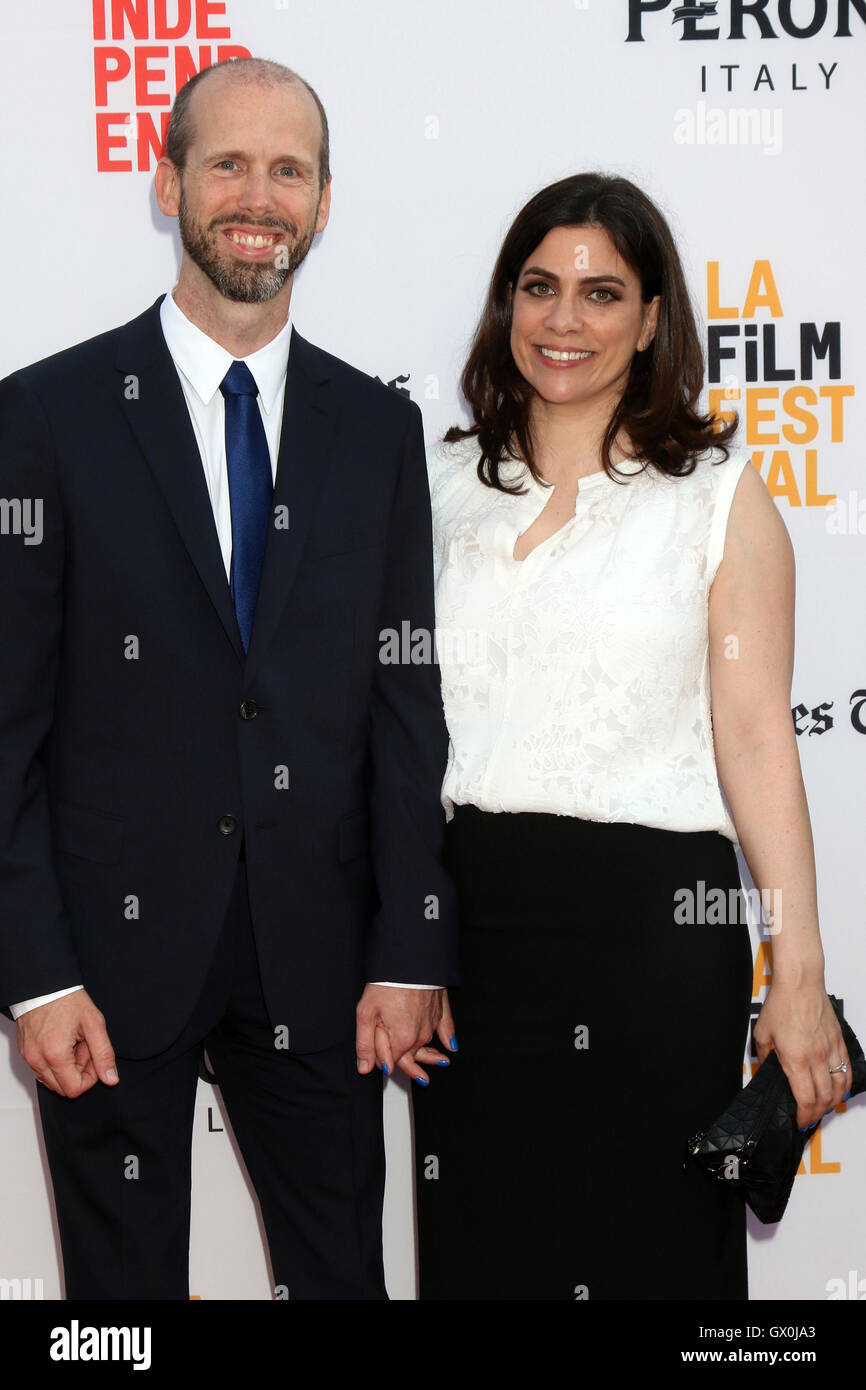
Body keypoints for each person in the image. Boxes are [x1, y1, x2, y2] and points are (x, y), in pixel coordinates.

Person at [0, 56, 457, 1300]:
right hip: (106, 961)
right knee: (121, 1309)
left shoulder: (375, 431)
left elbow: (401, 705)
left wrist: (410, 943)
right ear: (168, 183)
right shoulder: (46, 416)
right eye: (228, 164)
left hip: (320, 956)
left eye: (289, 169)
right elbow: (6, 729)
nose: (258, 195)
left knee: (340, 1282)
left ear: (323, 203)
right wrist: (35, 973)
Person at [412, 172, 849, 1301]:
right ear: (505, 302)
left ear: (652, 318)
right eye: (538, 286)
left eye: (602, 293)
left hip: (651, 935)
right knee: (482, 1247)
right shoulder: (439, 488)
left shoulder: (715, 496)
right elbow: (396, 737)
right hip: (474, 928)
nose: (564, 320)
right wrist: (403, 936)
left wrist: (792, 974)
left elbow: (755, 742)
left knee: (649, 1253)